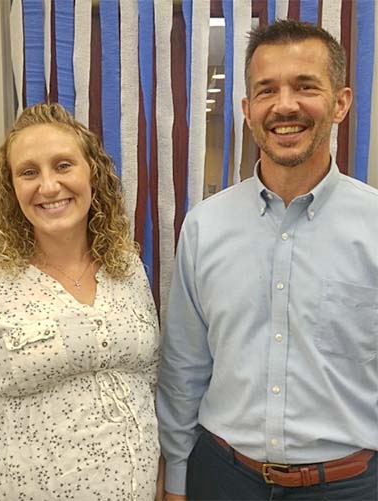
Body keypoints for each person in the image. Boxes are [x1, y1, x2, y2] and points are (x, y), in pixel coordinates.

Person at [157, 19, 378, 501]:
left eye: (306, 86)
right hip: (223, 480)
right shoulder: (204, 227)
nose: (285, 105)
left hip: (350, 486)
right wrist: (176, 479)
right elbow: (184, 369)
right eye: (266, 90)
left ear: (341, 103)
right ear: (247, 110)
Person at [0, 103, 160, 500]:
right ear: (11, 188)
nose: (48, 186)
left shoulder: (126, 266)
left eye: (63, 165)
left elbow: (149, 378)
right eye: (29, 172)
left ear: (91, 173)